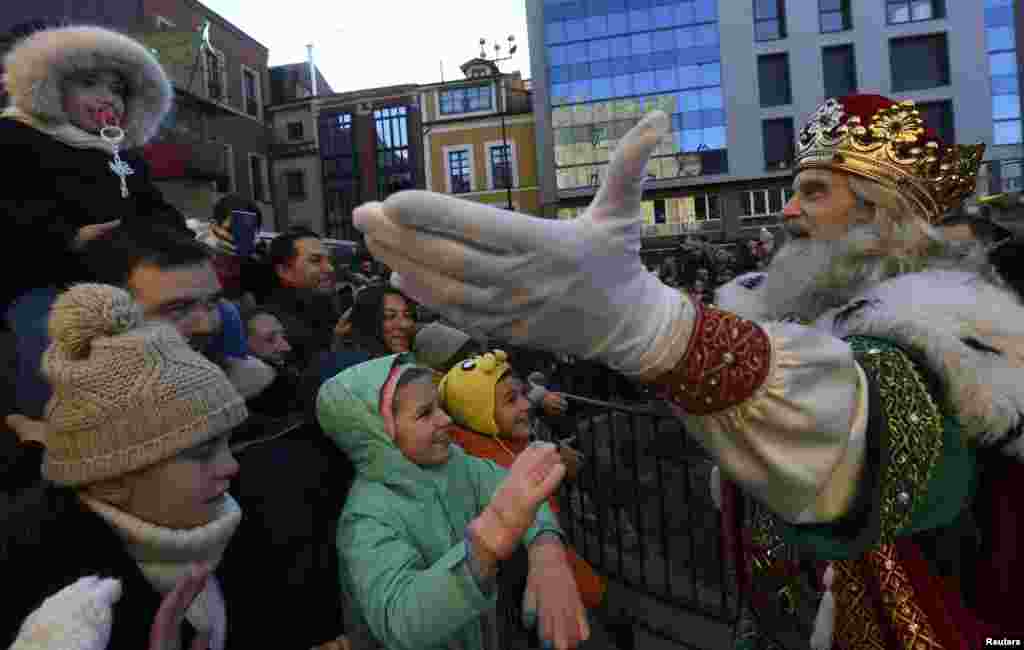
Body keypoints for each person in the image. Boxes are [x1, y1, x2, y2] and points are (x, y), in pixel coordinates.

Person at [350, 95, 1024, 648]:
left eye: (813, 192)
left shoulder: (956, 335)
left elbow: (873, 427)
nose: (788, 211)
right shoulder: (803, 312)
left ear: (882, 211)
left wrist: (664, 333)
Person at [2, 284, 248, 650]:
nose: (232, 467)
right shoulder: (30, 580)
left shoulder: (240, 529)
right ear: (112, 477)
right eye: (201, 452)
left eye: (227, 443)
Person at [316, 355, 589, 650]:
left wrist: (546, 548)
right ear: (377, 436)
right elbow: (402, 619)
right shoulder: (366, 519)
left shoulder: (456, 463)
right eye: (425, 413)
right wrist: (486, 543)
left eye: (440, 407)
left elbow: (521, 495)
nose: (446, 419)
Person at [1, 24, 189, 419]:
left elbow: (155, 208)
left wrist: (180, 242)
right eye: (90, 83)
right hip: (48, 281)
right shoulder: (15, 137)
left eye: (118, 89)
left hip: (127, 281)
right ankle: (55, 426)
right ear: (51, 86)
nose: (109, 99)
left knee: (209, 314)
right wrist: (68, 237)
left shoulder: (124, 154)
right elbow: (11, 208)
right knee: (47, 338)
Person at [438, 350, 605, 614]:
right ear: (479, 414)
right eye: (510, 400)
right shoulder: (502, 476)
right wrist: (597, 596)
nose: (526, 405)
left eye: (522, 394)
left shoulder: (501, 448)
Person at [263, 227, 345, 373]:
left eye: (329, 260)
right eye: (315, 260)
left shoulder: (327, 307)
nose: (330, 268)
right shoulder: (270, 327)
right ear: (284, 271)